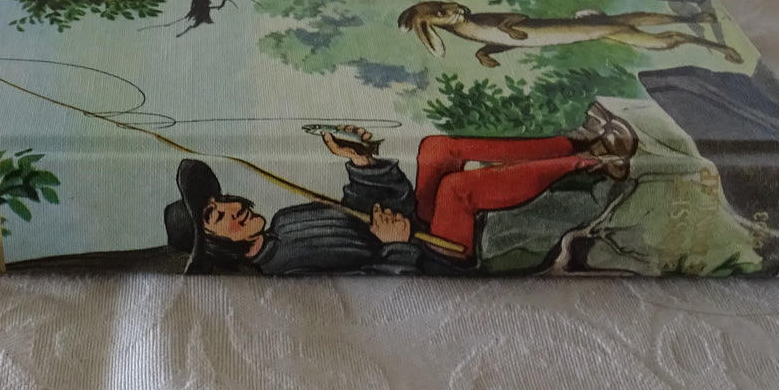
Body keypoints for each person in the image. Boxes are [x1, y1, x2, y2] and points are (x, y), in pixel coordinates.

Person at [163, 103, 636, 274]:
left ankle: (576, 139)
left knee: (436, 148)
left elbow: (364, 209)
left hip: (413, 225)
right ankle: (595, 164)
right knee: (456, 191)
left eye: (221, 201)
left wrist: (361, 163)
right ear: (218, 244)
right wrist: (398, 244)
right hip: (432, 255)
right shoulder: (284, 266)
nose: (231, 207)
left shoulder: (286, 221)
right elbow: (371, 278)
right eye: (215, 216)